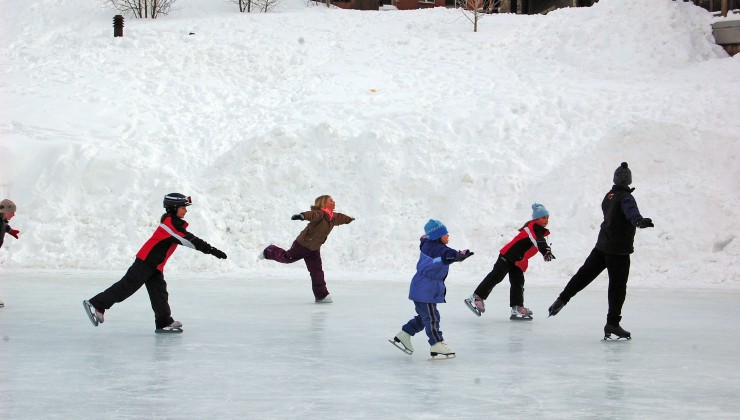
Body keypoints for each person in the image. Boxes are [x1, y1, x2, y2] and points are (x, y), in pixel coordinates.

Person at [83, 193, 228, 334]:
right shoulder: (170, 226)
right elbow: (190, 241)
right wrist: (212, 250)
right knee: (126, 287)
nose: (186, 210)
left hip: (155, 265)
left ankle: (164, 322)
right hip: (146, 262)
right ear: (174, 207)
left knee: (159, 293)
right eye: (183, 207)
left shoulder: (173, 224)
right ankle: (96, 304)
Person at [548, 162, 654, 340]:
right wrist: (639, 221)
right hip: (618, 252)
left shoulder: (609, 196)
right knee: (617, 289)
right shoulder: (626, 197)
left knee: (583, 275)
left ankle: (562, 299)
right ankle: (612, 323)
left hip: (602, 246)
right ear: (628, 180)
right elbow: (631, 212)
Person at [390, 219, 474, 358]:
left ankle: (404, 334)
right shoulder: (437, 249)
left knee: (426, 317)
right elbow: (448, 254)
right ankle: (436, 343)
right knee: (432, 317)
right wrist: (459, 255)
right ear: (437, 237)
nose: (448, 236)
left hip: (423, 287)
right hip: (425, 289)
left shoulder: (427, 244)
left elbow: (424, 239)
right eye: (445, 234)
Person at [464, 203, 555, 320]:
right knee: (496, 276)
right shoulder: (533, 227)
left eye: (547, 218)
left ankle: (517, 308)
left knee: (518, 282)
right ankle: (476, 298)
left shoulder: (538, 230)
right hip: (508, 255)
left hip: (518, 260)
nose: (546, 220)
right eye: (544, 217)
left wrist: (546, 250)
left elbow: (539, 240)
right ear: (536, 219)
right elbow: (539, 240)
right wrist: (545, 250)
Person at [260, 195, 354, 303]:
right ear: (323, 204)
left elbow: (342, 218)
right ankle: (269, 251)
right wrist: (302, 216)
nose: (334, 202)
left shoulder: (333, 217)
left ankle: (321, 295)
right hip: (303, 245)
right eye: (331, 201)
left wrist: (350, 219)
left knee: (317, 271)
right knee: (287, 258)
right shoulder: (320, 214)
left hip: (314, 248)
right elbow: (312, 215)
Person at [1, 199, 20, 308]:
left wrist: (10, 231)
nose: (13, 214)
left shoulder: (2, 220)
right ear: (5, 210)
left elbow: (4, 226)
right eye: (12, 212)